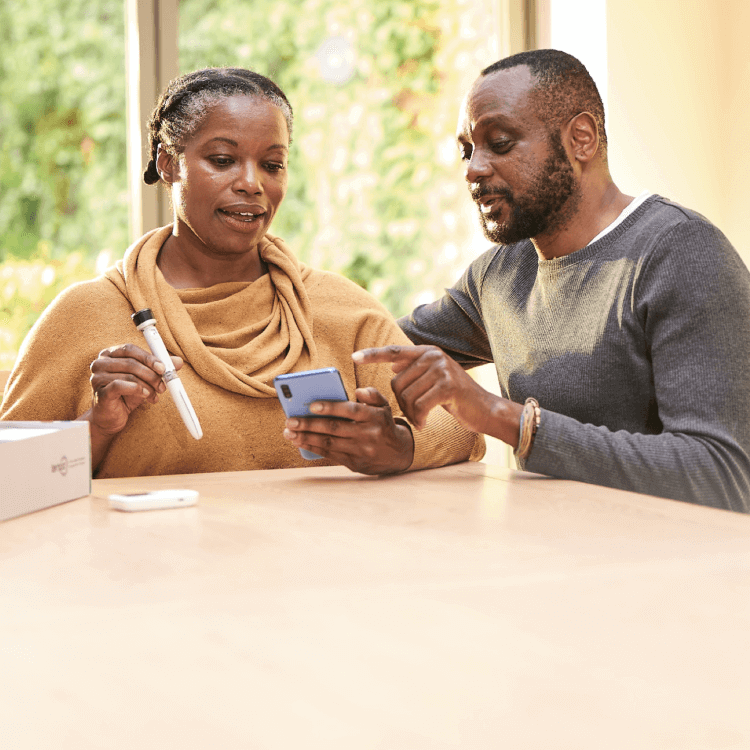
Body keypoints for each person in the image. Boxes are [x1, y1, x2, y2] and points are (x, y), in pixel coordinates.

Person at [0, 67, 483, 478]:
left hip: (316, 581)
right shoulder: (87, 315)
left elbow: (462, 426)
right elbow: (12, 478)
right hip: (150, 583)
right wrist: (97, 426)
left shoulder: (340, 309)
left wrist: (397, 445)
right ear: (169, 165)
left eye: (272, 164)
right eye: (222, 160)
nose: (251, 184)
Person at [349, 49, 750, 512]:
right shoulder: (499, 275)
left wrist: (509, 421)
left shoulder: (681, 252)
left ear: (581, 139)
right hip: (549, 560)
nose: (473, 169)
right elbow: (378, 347)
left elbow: (723, 473)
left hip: (670, 573)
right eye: (467, 150)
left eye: (499, 143)